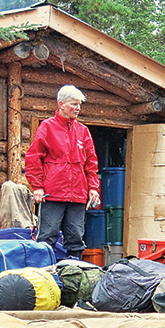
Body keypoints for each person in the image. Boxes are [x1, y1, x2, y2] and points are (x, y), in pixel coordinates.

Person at [25, 85, 100, 260]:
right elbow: (33, 158)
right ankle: (44, 273)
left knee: (76, 237)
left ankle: (74, 274)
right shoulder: (47, 127)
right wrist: (37, 187)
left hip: (78, 195)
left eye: (79, 104)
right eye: (74, 104)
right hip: (52, 194)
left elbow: (91, 164)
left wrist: (93, 188)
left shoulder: (83, 131)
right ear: (61, 104)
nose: (78, 108)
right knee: (47, 236)